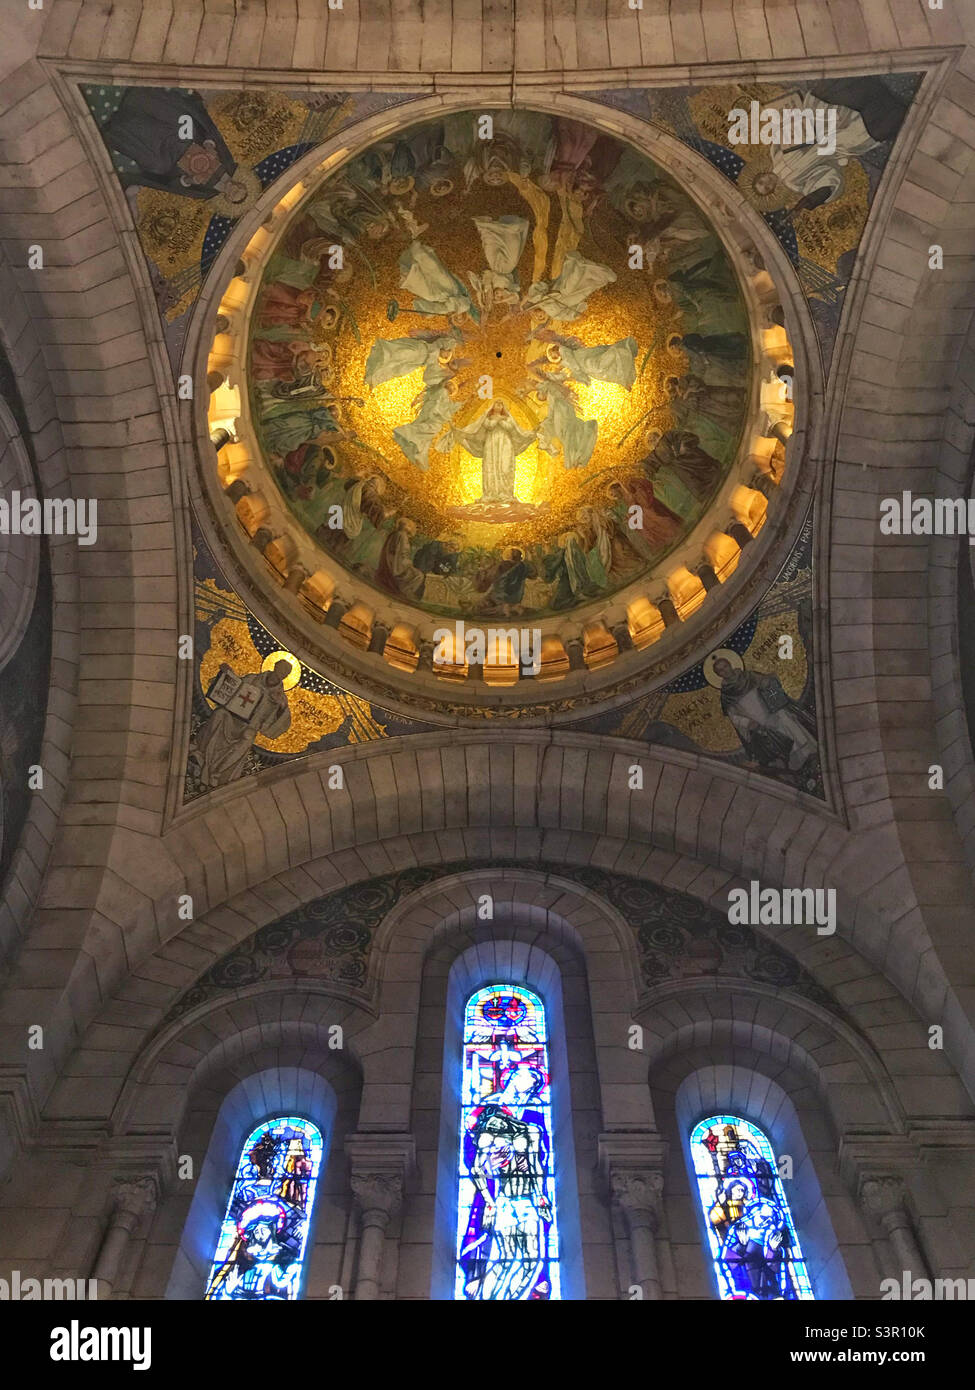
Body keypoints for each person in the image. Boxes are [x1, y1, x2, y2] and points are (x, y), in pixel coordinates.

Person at [193, 660, 292, 788]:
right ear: (274, 666)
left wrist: (281, 708)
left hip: (249, 727)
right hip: (232, 717)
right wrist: (227, 675)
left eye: (284, 673)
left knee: (248, 738)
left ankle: (218, 773)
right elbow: (233, 688)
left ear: (286, 677)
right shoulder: (252, 679)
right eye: (281, 669)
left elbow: (273, 728)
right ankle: (201, 754)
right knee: (219, 714)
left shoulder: (280, 698)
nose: (281, 674)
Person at [712, 656, 817, 774]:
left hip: (771, 711)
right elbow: (733, 717)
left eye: (725, 666)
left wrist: (767, 681)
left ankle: (810, 753)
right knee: (778, 741)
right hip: (757, 723)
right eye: (721, 670)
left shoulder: (748, 676)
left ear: (730, 664)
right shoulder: (726, 694)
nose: (725, 671)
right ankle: (800, 765)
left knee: (788, 722)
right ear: (719, 675)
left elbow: (766, 682)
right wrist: (747, 723)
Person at [453, 401, 535, 503]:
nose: (499, 406)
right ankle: (491, 493)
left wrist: (500, 419)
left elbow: (509, 427)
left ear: (504, 406)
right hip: (491, 444)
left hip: (505, 444)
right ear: (492, 406)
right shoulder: (487, 418)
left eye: (501, 404)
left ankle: (505, 494)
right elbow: (489, 426)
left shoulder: (508, 418)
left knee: (505, 468)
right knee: (491, 467)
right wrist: (498, 419)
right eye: (497, 404)